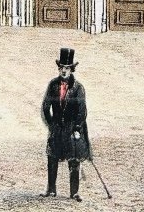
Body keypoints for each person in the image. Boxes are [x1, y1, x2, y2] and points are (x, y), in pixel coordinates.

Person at [42, 47, 91, 201]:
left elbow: (82, 111)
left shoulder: (78, 88)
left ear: (72, 70)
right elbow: (45, 107)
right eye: (62, 67)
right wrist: (51, 124)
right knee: (52, 157)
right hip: (57, 128)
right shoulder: (53, 85)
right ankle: (51, 190)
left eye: (67, 68)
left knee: (74, 159)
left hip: (72, 128)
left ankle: (74, 192)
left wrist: (77, 127)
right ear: (59, 68)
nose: (64, 71)